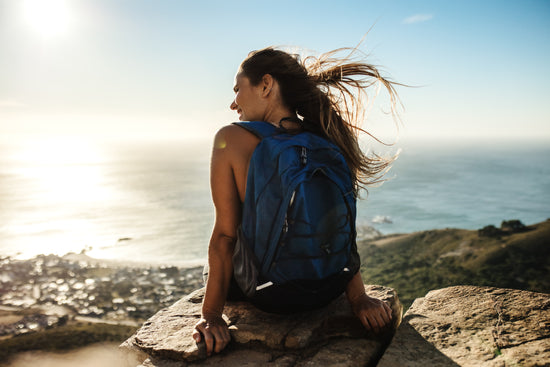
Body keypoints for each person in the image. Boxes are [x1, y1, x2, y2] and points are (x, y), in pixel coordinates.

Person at [192, 46, 400, 356]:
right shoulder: (325, 137)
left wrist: (210, 317)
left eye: (238, 90)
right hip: (328, 288)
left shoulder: (232, 138)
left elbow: (225, 236)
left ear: (266, 84)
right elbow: (336, 226)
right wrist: (359, 299)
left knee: (209, 270)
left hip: (272, 295)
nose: (233, 103)